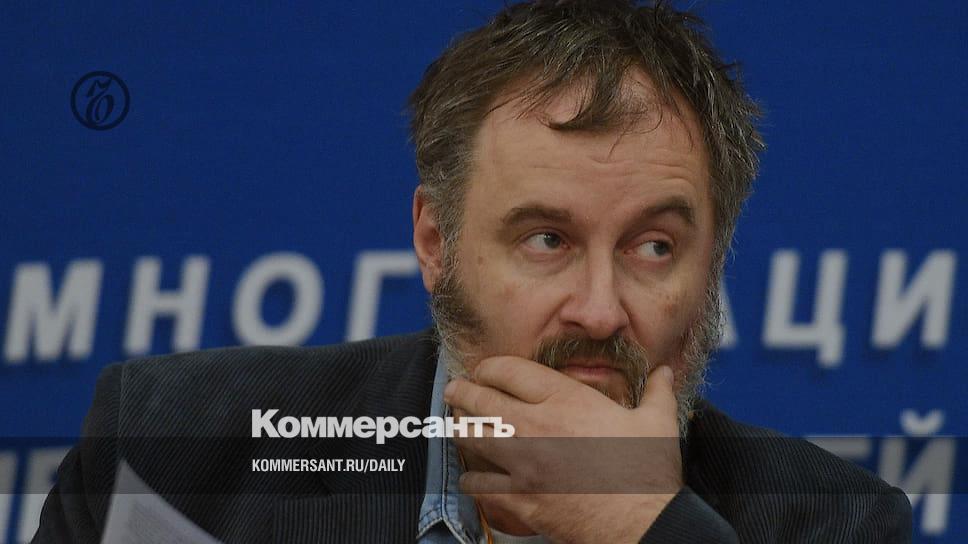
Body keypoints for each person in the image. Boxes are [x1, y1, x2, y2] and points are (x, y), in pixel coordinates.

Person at [33, 1, 911, 542]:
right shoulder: (175, 448)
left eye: (653, 248)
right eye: (546, 240)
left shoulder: (831, 521)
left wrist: (642, 527)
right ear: (435, 240)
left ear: (711, 265)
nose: (599, 311)